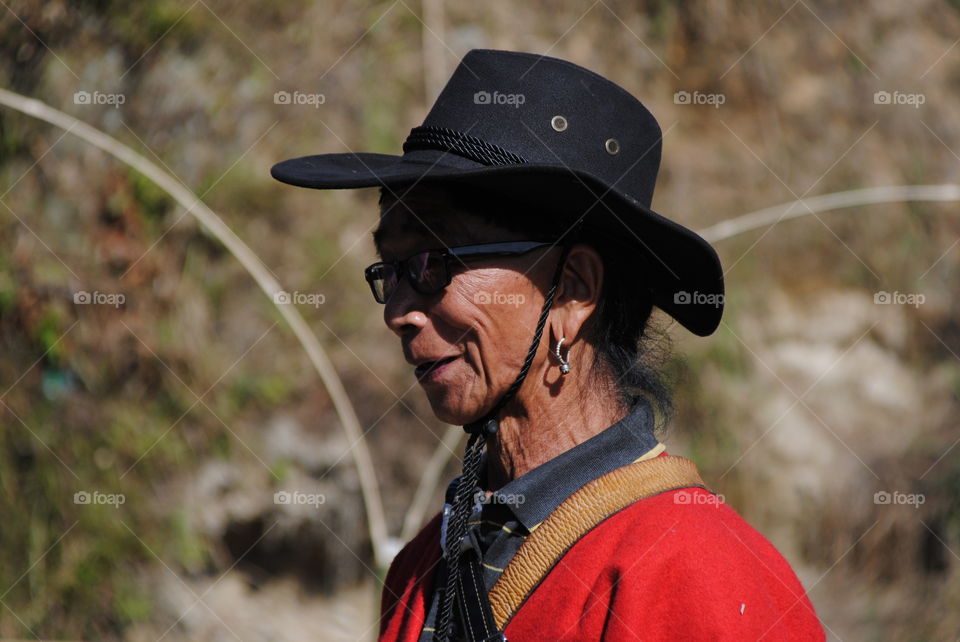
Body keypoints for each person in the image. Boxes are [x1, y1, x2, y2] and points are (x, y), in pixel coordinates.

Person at [272, 49, 824, 641]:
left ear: (572, 291)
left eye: (434, 262)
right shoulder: (423, 568)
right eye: (393, 269)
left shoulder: (697, 574)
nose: (398, 312)